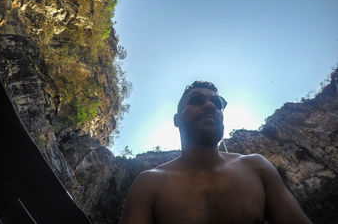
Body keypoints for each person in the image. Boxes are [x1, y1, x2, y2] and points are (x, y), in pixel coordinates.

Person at [119, 81, 312, 224]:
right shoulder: (150, 183)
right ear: (177, 119)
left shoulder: (256, 167)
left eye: (217, 103)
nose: (211, 105)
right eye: (196, 100)